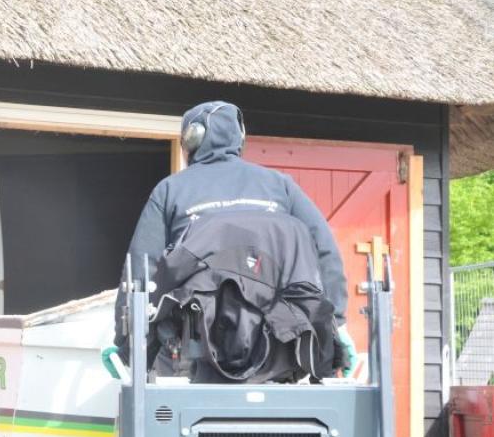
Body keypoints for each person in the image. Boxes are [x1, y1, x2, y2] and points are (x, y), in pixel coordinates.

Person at [104, 100, 356, 378]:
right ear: (241, 137)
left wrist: (126, 344)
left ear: (191, 140)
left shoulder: (170, 190)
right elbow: (325, 253)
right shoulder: (280, 185)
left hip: (194, 354)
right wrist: (337, 327)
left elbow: (142, 270)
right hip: (279, 344)